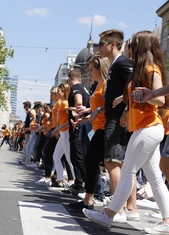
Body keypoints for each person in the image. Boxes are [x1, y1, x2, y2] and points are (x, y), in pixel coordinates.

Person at [83, 30, 169, 234]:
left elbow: (160, 100)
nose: (129, 48)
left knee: (128, 171)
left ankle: (109, 214)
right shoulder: (142, 69)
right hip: (145, 127)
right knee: (154, 178)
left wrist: (142, 98)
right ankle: (167, 221)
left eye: (133, 44)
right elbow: (140, 93)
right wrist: (124, 99)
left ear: (142, 46)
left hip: (148, 127)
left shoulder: (150, 69)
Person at [96, 29, 137, 222]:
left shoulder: (122, 63)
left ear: (113, 44)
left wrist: (127, 109)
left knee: (112, 161)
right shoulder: (115, 65)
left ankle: (118, 210)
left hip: (118, 119)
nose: (99, 48)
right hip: (115, 116)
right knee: (125, 165)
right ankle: (131, 207)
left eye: (102, 44)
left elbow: (137, 82)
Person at [68, 55, 110, 210]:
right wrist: (83, 116)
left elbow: (107, 106)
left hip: (104, 128)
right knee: (92, 162)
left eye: (92, 69)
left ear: (100, 69)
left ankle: (95, 198)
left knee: (103, 164)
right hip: (97, 127)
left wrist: (91, 111)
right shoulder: (99, 85)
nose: (90, 72)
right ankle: (90, 199)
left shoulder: (106, 84)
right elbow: (95, 108)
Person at [66, 69, 90, 195]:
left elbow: (79, 101)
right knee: (79, 156)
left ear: (70, 78)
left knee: (77, 157)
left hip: (77, 127)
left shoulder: (75, 88)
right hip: (83, 125)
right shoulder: (85, 88)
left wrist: (76, 118)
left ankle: (80, 184)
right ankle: (81, 183)